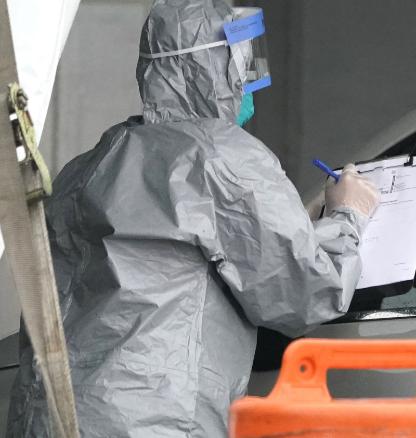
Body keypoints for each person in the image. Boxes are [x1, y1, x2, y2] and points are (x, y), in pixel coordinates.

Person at [6, 1, 379, 437]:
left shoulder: (94, 161)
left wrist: (303, 221)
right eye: (239, 61)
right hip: (151, 423)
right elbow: (309, 292)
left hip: (47, 418)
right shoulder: (222, 157)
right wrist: (349, 214)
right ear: (210, 69)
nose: (246, 79)